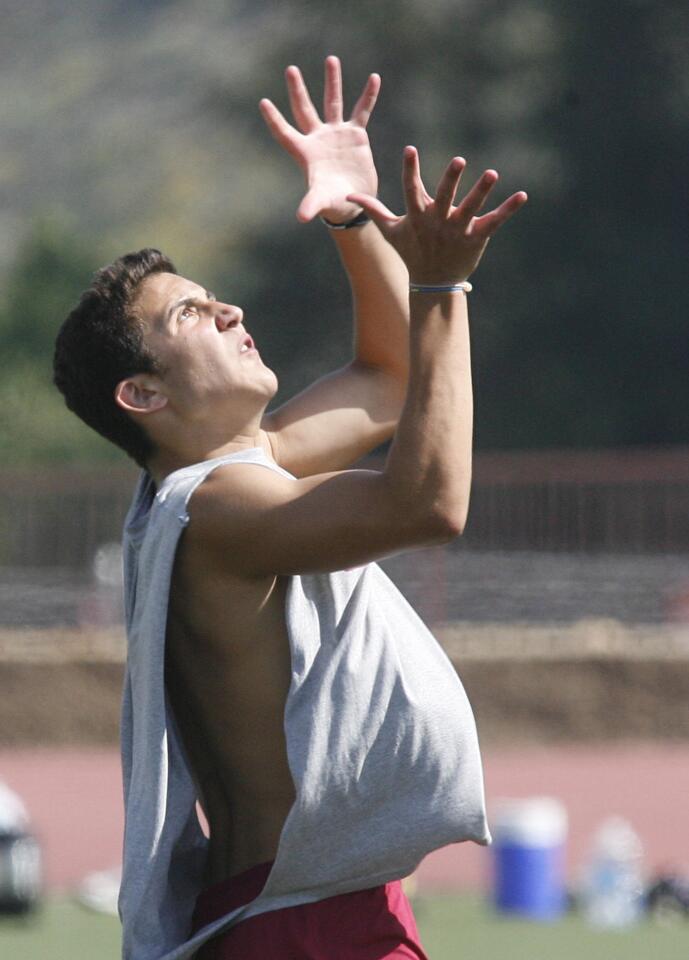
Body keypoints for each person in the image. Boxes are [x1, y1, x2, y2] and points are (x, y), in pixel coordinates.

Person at [54, 57, 526, 960]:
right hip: (307, 926)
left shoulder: (228, 476)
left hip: (296, 910)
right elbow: (427, 503)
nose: (229, 309)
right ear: (143, 395)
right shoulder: (222, 505)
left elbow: (388, 383)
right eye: (190, 315)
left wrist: (352, 215)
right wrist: (440, 288)